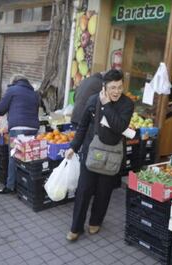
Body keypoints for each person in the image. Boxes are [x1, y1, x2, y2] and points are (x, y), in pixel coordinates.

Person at [64, 69, 134, 241]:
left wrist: (107, 105)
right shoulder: (93, 100)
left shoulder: (127, 104)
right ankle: (76, 227)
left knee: (104, 191)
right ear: (104, 86)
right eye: (112, 87)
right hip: (91, 152)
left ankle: (96, 221)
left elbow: (119, 126)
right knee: (84, 190)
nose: (116, 91)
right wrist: (74, 146)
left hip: (112, 155)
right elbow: (82, 126)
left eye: (119, 87)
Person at [0, 74, 39, 194]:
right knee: (28, 155)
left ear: (14, 82)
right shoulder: (34, 93)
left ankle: (10, 186)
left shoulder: (12, 90)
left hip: (18, 127)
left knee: (14, 155)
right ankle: (26, 185)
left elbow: (0, 109)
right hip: (33, 128)